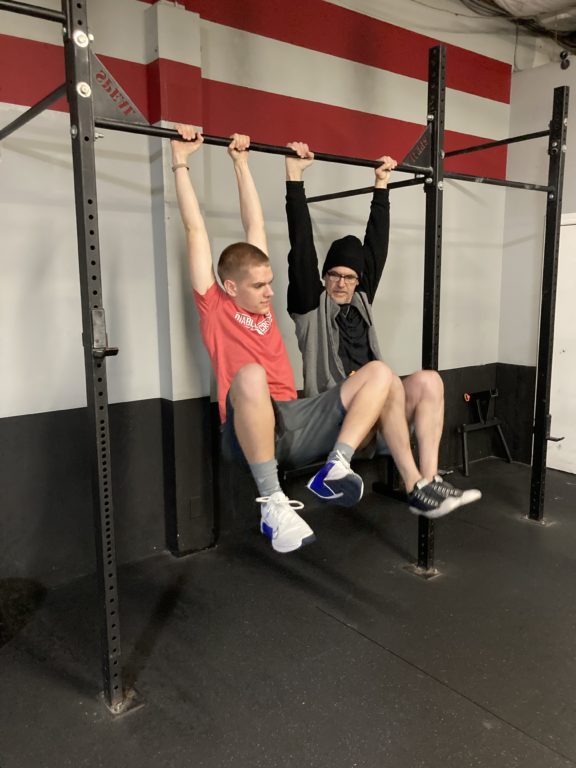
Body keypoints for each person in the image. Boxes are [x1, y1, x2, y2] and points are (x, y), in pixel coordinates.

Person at [170, 125, 410, 555]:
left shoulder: (260, 297)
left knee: (379, 373)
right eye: (259, 286)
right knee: (249, 375)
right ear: (228, 286)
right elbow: (194, 231)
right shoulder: (214, 306)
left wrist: (241, 163)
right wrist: (180, 161)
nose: (269, 293)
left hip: (294, 418)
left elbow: (255, 223)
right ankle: (273, 504)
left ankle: (336, 468)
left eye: (270, 283)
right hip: (245, 428)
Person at [284, 141, 481, 516]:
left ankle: (428, 482)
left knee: (429, 381)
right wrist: (294, 178)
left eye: (350, 277)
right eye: (334, 276)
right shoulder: (310, 308)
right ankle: (413, 486)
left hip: (377, 414)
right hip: (334, 416)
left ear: (358, 281)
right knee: (381, 372)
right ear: (324, 277)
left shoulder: (361, 300)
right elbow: (301, 247)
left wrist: (381, 185)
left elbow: (377, 245)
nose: (341, 283)